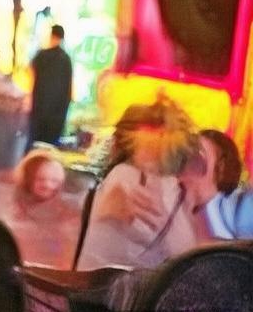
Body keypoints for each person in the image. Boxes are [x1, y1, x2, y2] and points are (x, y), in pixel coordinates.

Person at [75, 97, 200, 270]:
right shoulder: (128, 178)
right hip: (119, 282)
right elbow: (185, 256)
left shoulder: (161, 184)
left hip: (106, 279)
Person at [28, 25, 73, 147]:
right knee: (50, 146)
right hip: (57, 113)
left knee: (36, 145)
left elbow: (31, 76)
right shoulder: (66, 59)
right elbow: (69, 87)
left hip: (39, 110)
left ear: (52, 36)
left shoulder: (41, 56)